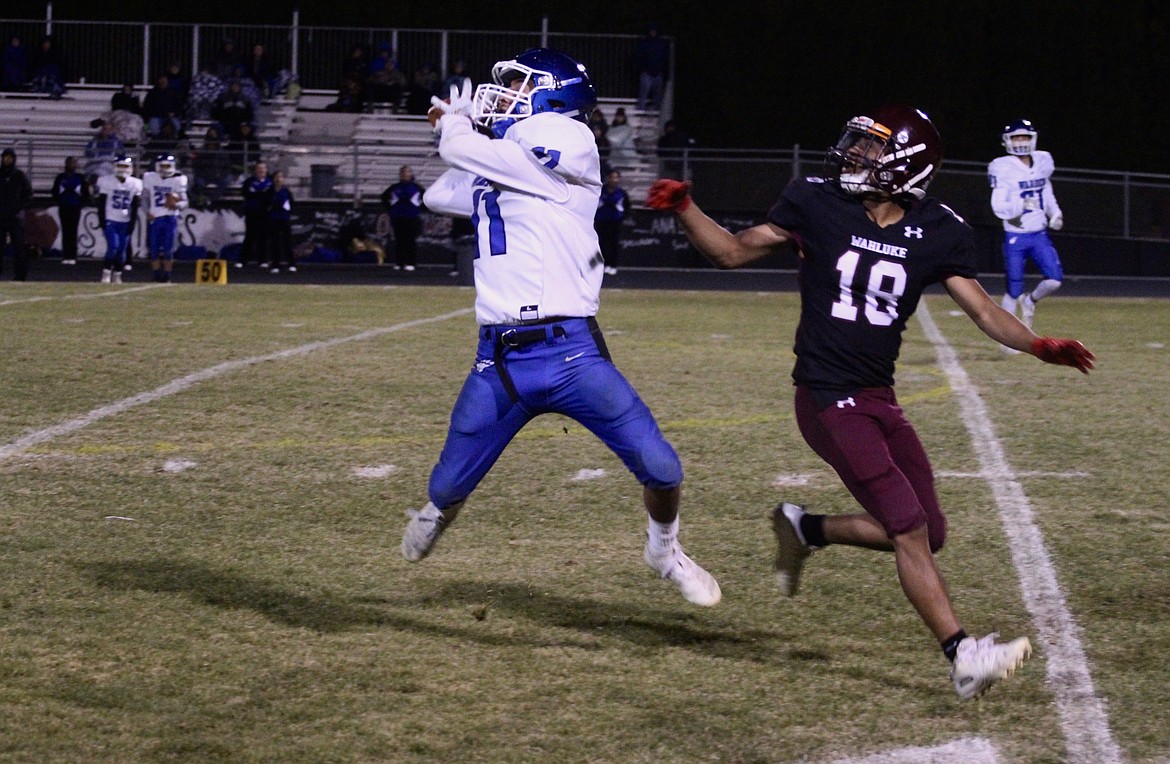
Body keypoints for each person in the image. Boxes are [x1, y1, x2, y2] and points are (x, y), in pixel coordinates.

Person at [646, 105, 1096, 697]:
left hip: (878, 399)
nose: (855, 154)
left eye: (872, 148)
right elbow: (730, 251)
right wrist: (685, 208)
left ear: (907, 166)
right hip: (827, 397)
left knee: (928, 532)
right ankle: (963, 654)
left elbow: (985, 311)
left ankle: (808, 529)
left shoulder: (939, 228)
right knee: (906, 527)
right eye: (857, 143)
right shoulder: (817, 200)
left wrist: (1037, 344)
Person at [405, 48, 721, 609]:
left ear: (553, 94)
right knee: (446, 487)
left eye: (518, 85)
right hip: (498, 361)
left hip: (571, 352)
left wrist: (459, 128)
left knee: (661, 467)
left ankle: (664, 550)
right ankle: (435, 512)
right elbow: (437, 193)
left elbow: (457, 149)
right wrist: (482, 149)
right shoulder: (513, 161)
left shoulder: (568, 137)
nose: (502, 95)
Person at [989, 119, 1065, 350]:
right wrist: (1022, 204)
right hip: (1016, 235)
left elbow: (1046, 189)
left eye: (1024, 137)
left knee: (1054, 280)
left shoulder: (1043, 160)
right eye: (1016, 137)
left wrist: (1055, 212)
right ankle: (1007, 339)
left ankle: (1031, 301)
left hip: (1039, 232)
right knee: (1013, 290)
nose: (1020, 141)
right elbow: (998, 207)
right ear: (1007, 141)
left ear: (1033, 138)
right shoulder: (1001, 166)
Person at [94, 155, 142, 284]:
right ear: (115, 167)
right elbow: (101, 203)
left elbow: (135, 206)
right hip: (111, 219)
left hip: (125, 220)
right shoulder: (106, 181)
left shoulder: (135, 183)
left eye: (125, 166)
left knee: (121, 251)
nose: (123, 169)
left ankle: (118, 274)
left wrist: (132, 222)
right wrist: (102, 221)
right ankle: (106, 272)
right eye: (120, 166)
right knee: (113, 247)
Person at [141, 154, 188, 283]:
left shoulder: (178, 179)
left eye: (167, 166)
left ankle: (167, 275)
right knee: (154, 249)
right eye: (162, 165)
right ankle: (156, 275)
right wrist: (147, 212)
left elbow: (185, 202)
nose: (164, 168)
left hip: (170, 218)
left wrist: (176, 205)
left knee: (168, 249)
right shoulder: (150, 177)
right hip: (155, 217)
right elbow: (144, 198)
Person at [380, 165, 425, 271]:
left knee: (410, 241)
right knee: (399, 241)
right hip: (398, 217)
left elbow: (426, 198)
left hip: (412, 218)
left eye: (408, 172)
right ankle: (399, 262)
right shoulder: (395, 187)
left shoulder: (417, 187)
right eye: (403, 172)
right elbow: (384, 198)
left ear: (411, 174)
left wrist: (419, 209)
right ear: (400, 175)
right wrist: (390, 208)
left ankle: (411, 262)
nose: (405, 174)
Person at [0, 147, 33, 281]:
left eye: (10, 157)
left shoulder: (20, 175)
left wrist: (18, 207)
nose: (7, 160)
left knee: (18, 247)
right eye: (5, 157)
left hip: (16, 217)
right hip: (0, 216)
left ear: (14, 159)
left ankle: (20, 276)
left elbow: (28, 194)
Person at [51, 156, 90, 266]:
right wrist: (59, 199)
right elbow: (54, 191)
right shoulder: (60, 177)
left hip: (75, 207)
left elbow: (85, 193)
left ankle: (72, 255)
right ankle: (65, 255)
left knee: (73, 231)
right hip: (64, 207)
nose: (71, 165)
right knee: (65, 230)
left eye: (73, 163)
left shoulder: (80, 178)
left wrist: (81, 202)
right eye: (69, 163)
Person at [239, 159, 272, 268]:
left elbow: (270, 196)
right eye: (259, 168)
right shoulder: (249, 181)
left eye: (263, 168)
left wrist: (259, 194)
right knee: (250, 236)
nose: (261, 170)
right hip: (252, 212)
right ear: (255, 170)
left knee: (263, 237)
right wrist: (260, 193)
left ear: (266, 170)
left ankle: (262, 260)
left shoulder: (270, 182)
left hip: (265, 213)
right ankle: (243, 260)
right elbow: (245, 193)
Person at [595, 169, 629, 276]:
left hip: (615, 222)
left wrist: (623, 217)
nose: (614, 180)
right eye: (612, 177)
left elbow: (627, 206)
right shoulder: (600, 191)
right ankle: (602, 265)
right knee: (601, 244)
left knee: (613, 244)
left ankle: (613, 265)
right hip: (601, 220)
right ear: (608, 178)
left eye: (616, 178)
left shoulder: (621, 193)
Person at [634, 23, 669, 111]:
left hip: (657, 72)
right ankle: (640, 110)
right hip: (647, 72)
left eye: (654, 31)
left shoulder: (661, 43)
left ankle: (658, 111)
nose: (653, 32)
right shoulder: (645, 43)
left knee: (657, 95)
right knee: (643, 94)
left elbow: (665, 58)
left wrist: (662, 69)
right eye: (652, 31)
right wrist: (643, 68)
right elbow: (639, 56)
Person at [268, 170, 296, 273]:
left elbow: (292, 204)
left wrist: (288, 209)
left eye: (280, 177)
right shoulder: (270, 191)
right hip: (274, 219)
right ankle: (275, 265)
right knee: (275, 242)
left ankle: (291, 263)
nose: (278, 179)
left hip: (285, 219)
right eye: (276, 177)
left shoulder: (286, 191)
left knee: (287, 242)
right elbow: (266, 203)